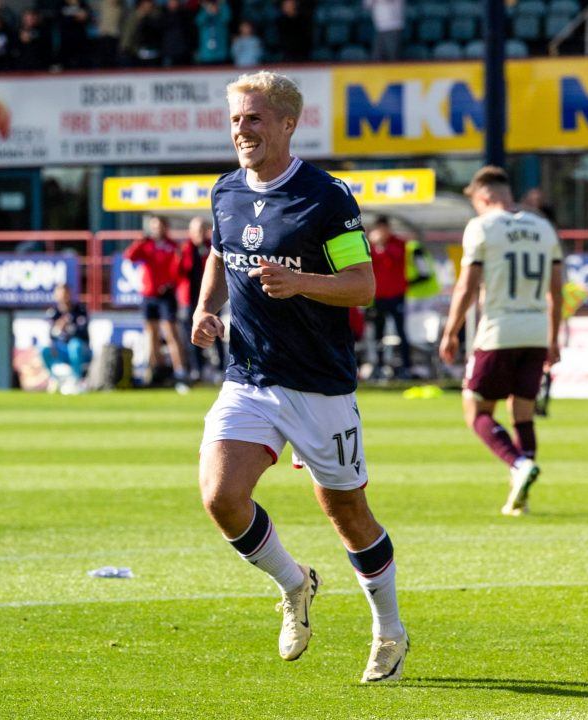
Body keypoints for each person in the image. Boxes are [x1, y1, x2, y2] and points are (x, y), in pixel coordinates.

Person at [190, 71, 407, 683]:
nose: (242, 129)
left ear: (288, 124)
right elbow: (218, 251)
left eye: (254, 118)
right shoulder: (226, 191)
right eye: (236, 119)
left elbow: (363, 286)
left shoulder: (325, 197)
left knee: (347, 512)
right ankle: (294, 584)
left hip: (319, 385)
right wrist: (206, 308)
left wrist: (301, 282)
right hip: (249, 376)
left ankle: (389, 630)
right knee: (221, 497)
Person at [439, 166, 563, 517]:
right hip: (537, 330)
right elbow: (556, 290)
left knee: (475, 409)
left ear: (485, 197)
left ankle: (518, 465)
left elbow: (467, 285)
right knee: (522, 412)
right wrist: (553, 339)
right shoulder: (543, 227)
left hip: (498, 330)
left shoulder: (482, 227)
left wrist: (451, 331)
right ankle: (520, 493)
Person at [124, 215, 187, 385]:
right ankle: (156, 370)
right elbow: (130, 256)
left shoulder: (172, 246)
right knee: (151, 334)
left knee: (171, 333)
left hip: (165, 296)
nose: (155, 229)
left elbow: (179, 270)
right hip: (148, 295)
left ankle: (180, 371)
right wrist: (139, 241)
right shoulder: (147, 244)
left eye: (158, 226)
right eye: (153, 226)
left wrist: (170, 284)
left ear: (165, 227)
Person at [177, 216, 222, 381]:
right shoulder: (185, 248)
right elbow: (178, 272)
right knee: (192, 335)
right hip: (189, 300)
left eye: (202, 230)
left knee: (216, 333)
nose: (199, 234)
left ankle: (219, 368)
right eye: (196, 231)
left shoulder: (212, 248)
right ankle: (196, 369)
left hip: (211, 299)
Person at [367, 216, 411, 379]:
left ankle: (405, 367)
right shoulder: (369, 246)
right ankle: (378, 366)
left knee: (401, 332)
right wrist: (374, 245)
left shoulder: (399, 243)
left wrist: (380, 245)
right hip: (378, 297)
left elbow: (394, 258)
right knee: (378, 333)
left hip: (397, 296)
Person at [41, 283, 91, 391]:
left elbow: (82, 331)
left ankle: (76, 380)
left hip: (81, 350)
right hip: (62, 350)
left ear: (69, 294)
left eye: (65, 294)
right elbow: (52, 334)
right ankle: (54, 379)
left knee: (75, 345)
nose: (63, 298)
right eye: (60, 294)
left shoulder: (79, 310)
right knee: (44, 349)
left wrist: (68, 326)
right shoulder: (53, 313)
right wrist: (58, 328)